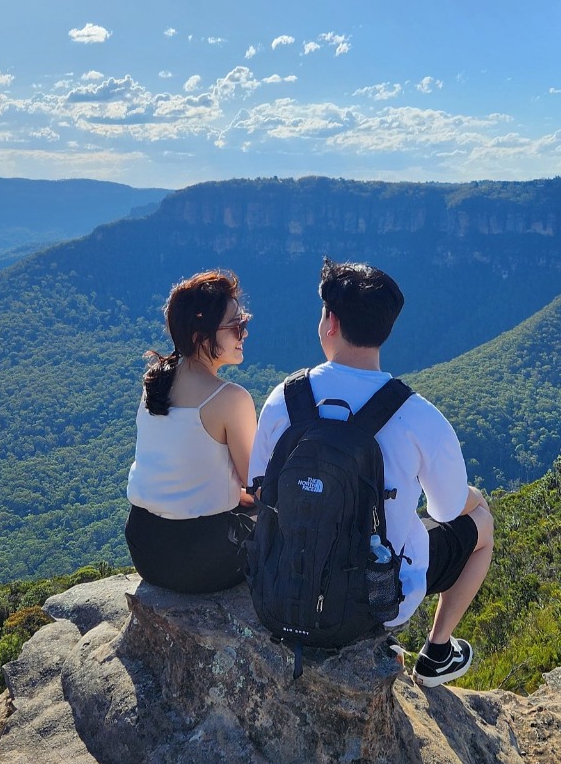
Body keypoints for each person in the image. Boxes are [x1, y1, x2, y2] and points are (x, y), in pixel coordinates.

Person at [248, 258, 493, 687]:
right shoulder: (418, 416)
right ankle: (437, 653)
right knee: (482, 525)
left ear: (330, 322)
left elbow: (259, 485)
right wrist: (471, 495)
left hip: (282, 593)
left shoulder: (285, 399)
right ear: (386, 329)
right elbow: (449, 508)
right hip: (376, 604)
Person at [125, 270, 258, 594]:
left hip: (145, 548)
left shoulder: (155, 381)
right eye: (236, 326)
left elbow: (184, 474)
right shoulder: (230, 399)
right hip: (202, 559)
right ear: (201, 335)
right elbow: (257, 484)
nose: (244, 334)